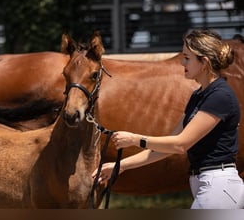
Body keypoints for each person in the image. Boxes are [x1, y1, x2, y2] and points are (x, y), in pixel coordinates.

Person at [92, 28, 244, 209]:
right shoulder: (199, 96)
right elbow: (167, 147)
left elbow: (180, 145)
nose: (182, 62)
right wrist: (120, 165)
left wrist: (134, 139)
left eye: (187, 58)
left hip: (219, 187)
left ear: (204, 62)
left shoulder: (219, 97)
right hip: (207, 185)